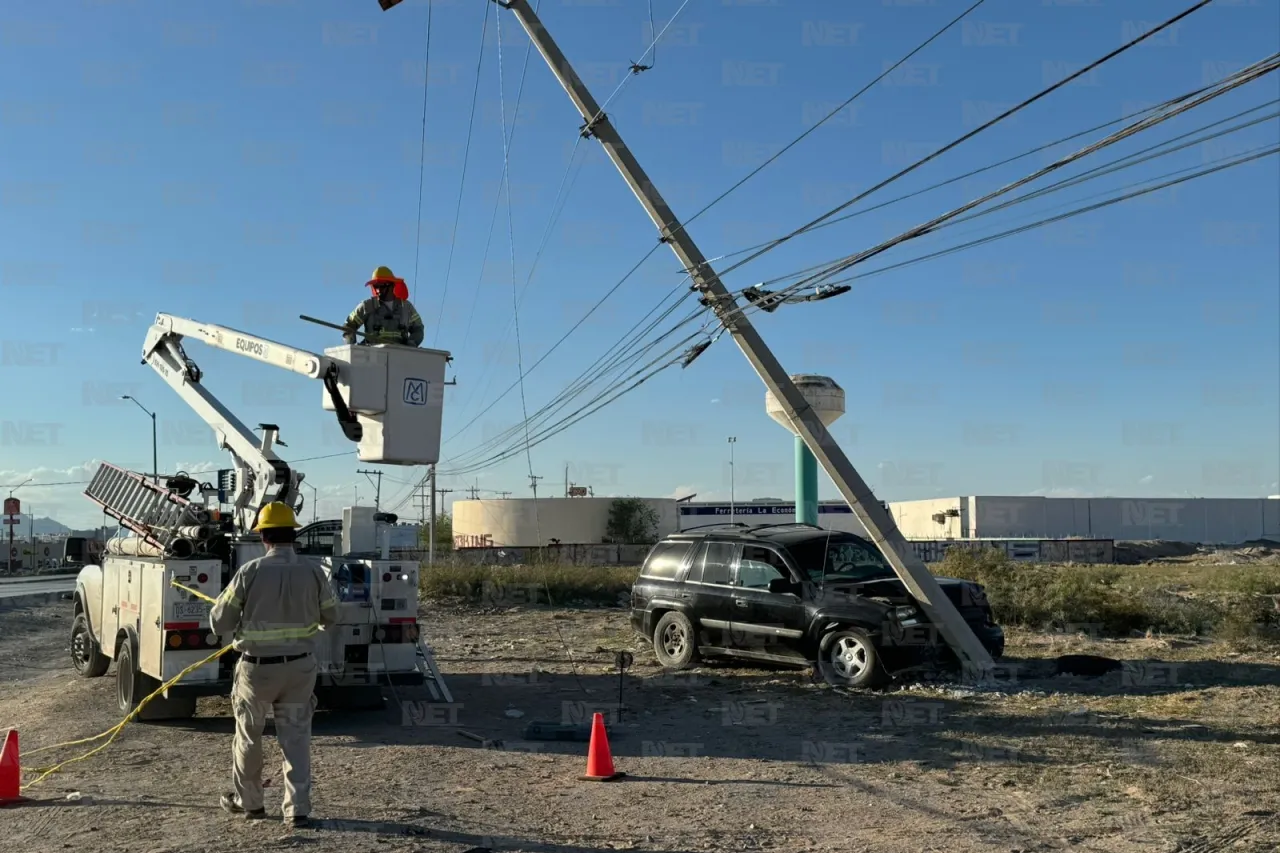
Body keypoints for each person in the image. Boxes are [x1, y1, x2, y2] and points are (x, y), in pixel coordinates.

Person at [210, 501, 339, 828]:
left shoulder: (249, 572)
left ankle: (250, 804)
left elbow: (219, 622)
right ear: (293, 534)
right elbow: (333, 616)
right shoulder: (313, 571)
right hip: (299, 670)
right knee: (295, 738)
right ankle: (297, 810)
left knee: (249, 736)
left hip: (257, 671)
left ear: (264, 536)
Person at [342, 265, 425, 347]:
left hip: (400, 356)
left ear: (392, 285)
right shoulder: (367, 306)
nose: (378, 290)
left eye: (382, 285)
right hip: (373, 357)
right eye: (376, 286)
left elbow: (418, 329)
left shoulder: (406, 308)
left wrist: (411, 343)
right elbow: (349, 325)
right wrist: (352, 346)